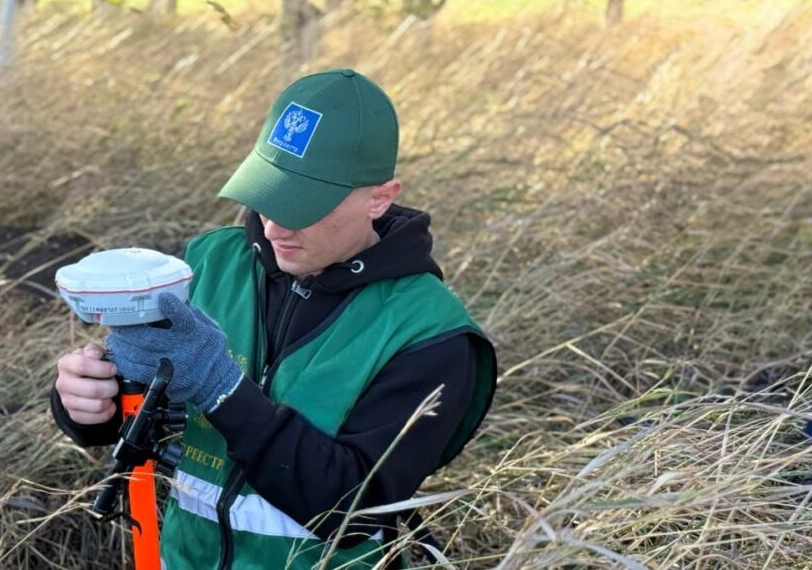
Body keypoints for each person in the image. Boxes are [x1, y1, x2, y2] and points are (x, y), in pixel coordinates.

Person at [50, 69, 497, 569]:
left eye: (303, 205)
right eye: (268, 194)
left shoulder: (430, 334)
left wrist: (221, 387)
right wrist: (89, 400)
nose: (274, 224)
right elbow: (139, 403)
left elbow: (351, 509)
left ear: (380, 197)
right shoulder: (209, 263)